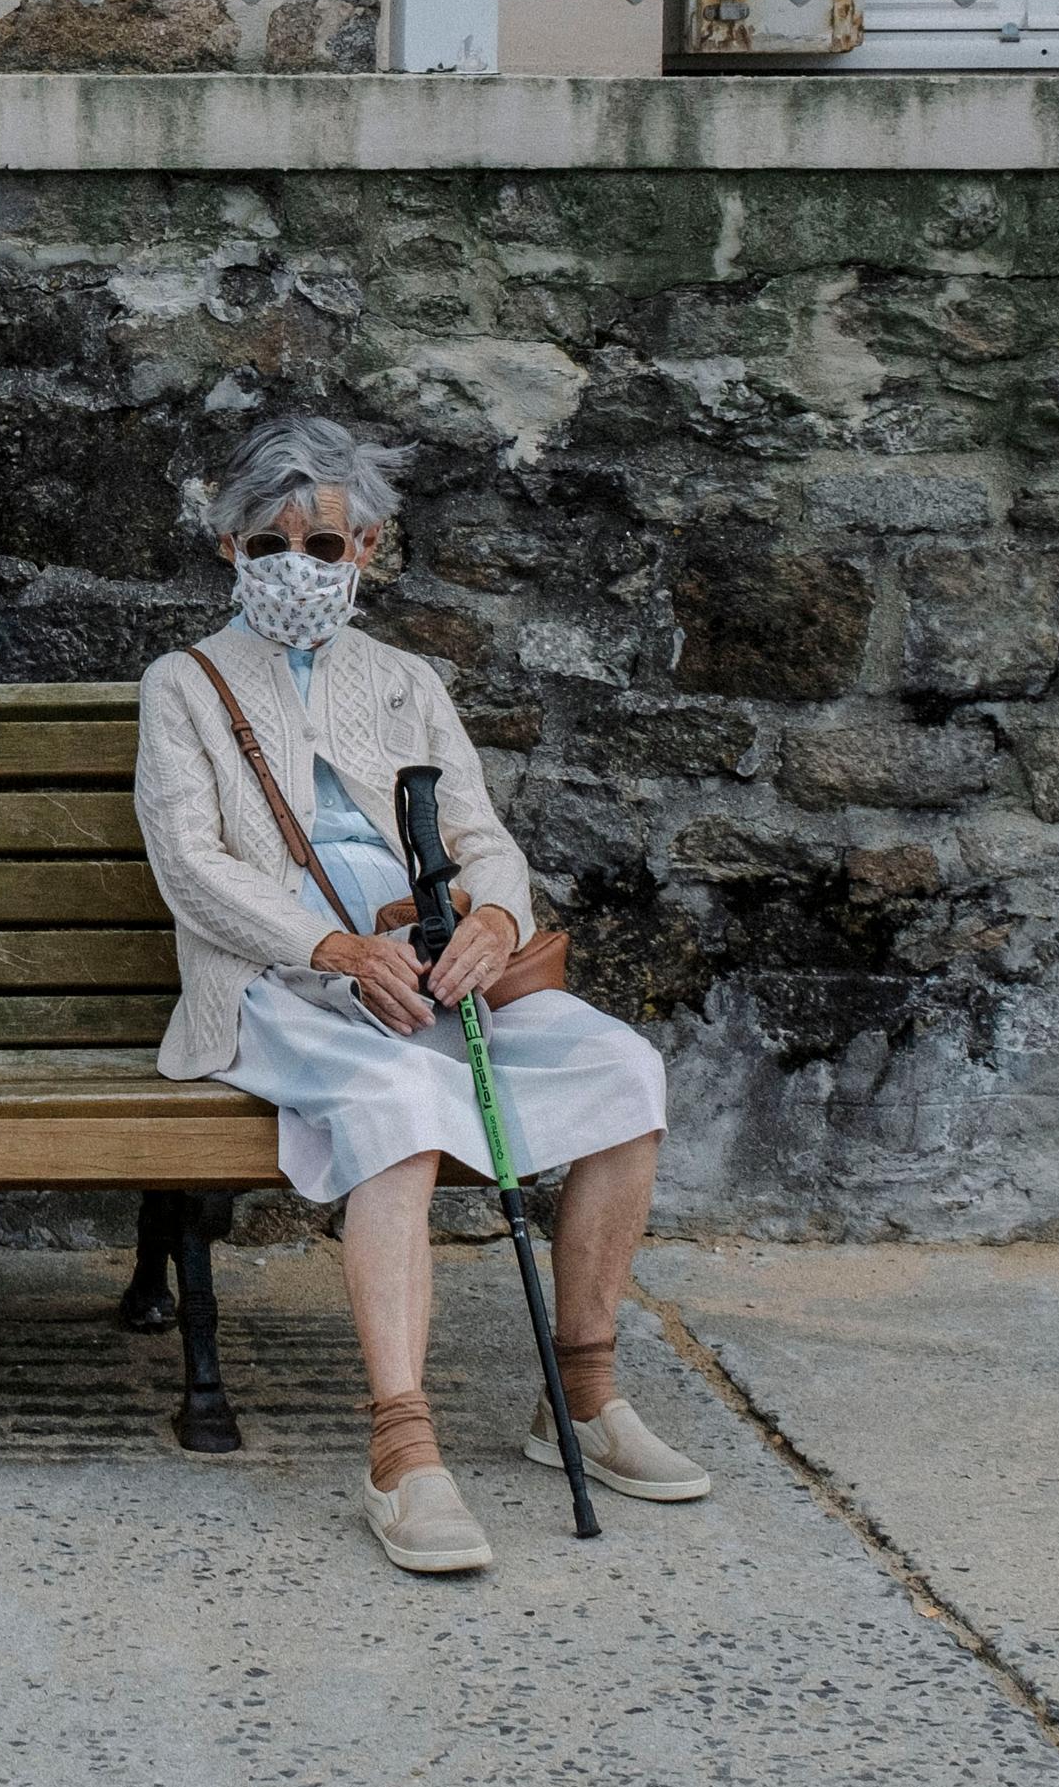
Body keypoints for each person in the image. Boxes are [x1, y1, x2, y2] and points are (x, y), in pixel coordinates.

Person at [132, 415, 709, 1577]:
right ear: (229, 550)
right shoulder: (183, 685)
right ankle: (403, 1445)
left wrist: (494, 920)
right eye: (271, 542)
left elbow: (483, 837)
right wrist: (335, 948)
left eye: (328, 544)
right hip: (278, 983)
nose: (300, 566)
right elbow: (191, 866)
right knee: (393, 1099)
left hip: (436, 972)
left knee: (623, 1068)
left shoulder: (407, 682)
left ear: (373, 549)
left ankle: (582, 1393)